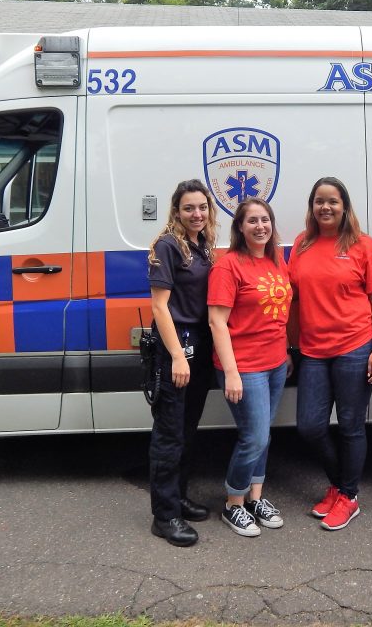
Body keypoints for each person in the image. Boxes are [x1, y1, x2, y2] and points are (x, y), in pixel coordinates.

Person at [288, 177, 372, 531]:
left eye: (333, 201)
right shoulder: (301, 244)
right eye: (319, 201)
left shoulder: (363, 246)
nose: (325, 207)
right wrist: (291, 346)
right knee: (310, 427)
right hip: (313, 351)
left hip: (354, 346)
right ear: (311, 206)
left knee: (350, 426)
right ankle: (338, 485)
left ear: (345, 206)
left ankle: (349, 496)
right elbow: (295, 299)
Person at [208, 198, 293, 537]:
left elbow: (280, 313)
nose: (260, 226)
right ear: (240, 228)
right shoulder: (227, 267)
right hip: (245, 367)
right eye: (252, 221)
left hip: (274, 363)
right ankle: (233, 504)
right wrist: (231, 371)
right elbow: (217, 321)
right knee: (254, 436)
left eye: (265, 220)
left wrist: (285, 352)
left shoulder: (276, 261)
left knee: (263, 436)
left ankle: (255, 498)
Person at [147, 179, 219, 547]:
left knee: (188, 429)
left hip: (201, 347)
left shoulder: (203, 246)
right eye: (189, 208)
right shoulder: (168, 246)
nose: (197, 214)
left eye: (202, 207)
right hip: (178, 347)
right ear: (176, 211)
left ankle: (179, 496)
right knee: (170, 434)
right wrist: (176, 355)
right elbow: (160, 306)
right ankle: (165, 515)